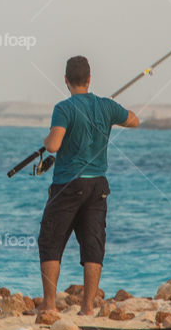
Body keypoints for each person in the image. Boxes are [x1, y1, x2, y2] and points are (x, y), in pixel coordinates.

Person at [37, 55, 139, 316]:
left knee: (51, 242)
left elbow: (54, 145)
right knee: (93, 244)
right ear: (90, 79)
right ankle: (87, 308)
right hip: (98, 186)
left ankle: (49, 306)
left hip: (67, 185)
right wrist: (110, 112)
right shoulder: (106, 106)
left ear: (66, 80)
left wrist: (47, 138)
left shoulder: (64, 108)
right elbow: (134, 120)